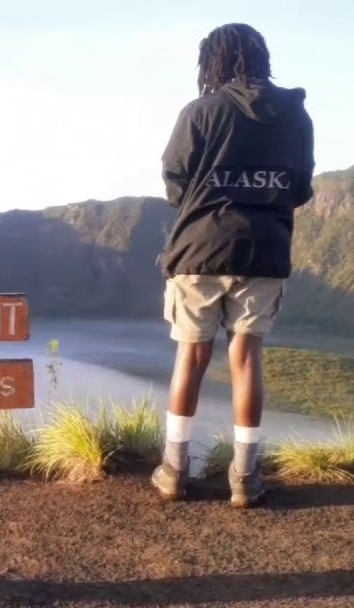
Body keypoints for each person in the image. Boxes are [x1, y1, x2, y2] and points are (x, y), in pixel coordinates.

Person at [150, 23, 316, 508]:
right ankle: (245, 476)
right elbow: (300, 188)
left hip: (200, 250)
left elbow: (175, 183)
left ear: (214, 63)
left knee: (192, 356)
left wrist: (211, 196)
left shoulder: (201, 111)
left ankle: (174, 469)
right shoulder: (295, 117)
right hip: (263, 250)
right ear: (262, 57)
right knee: (246, 359)